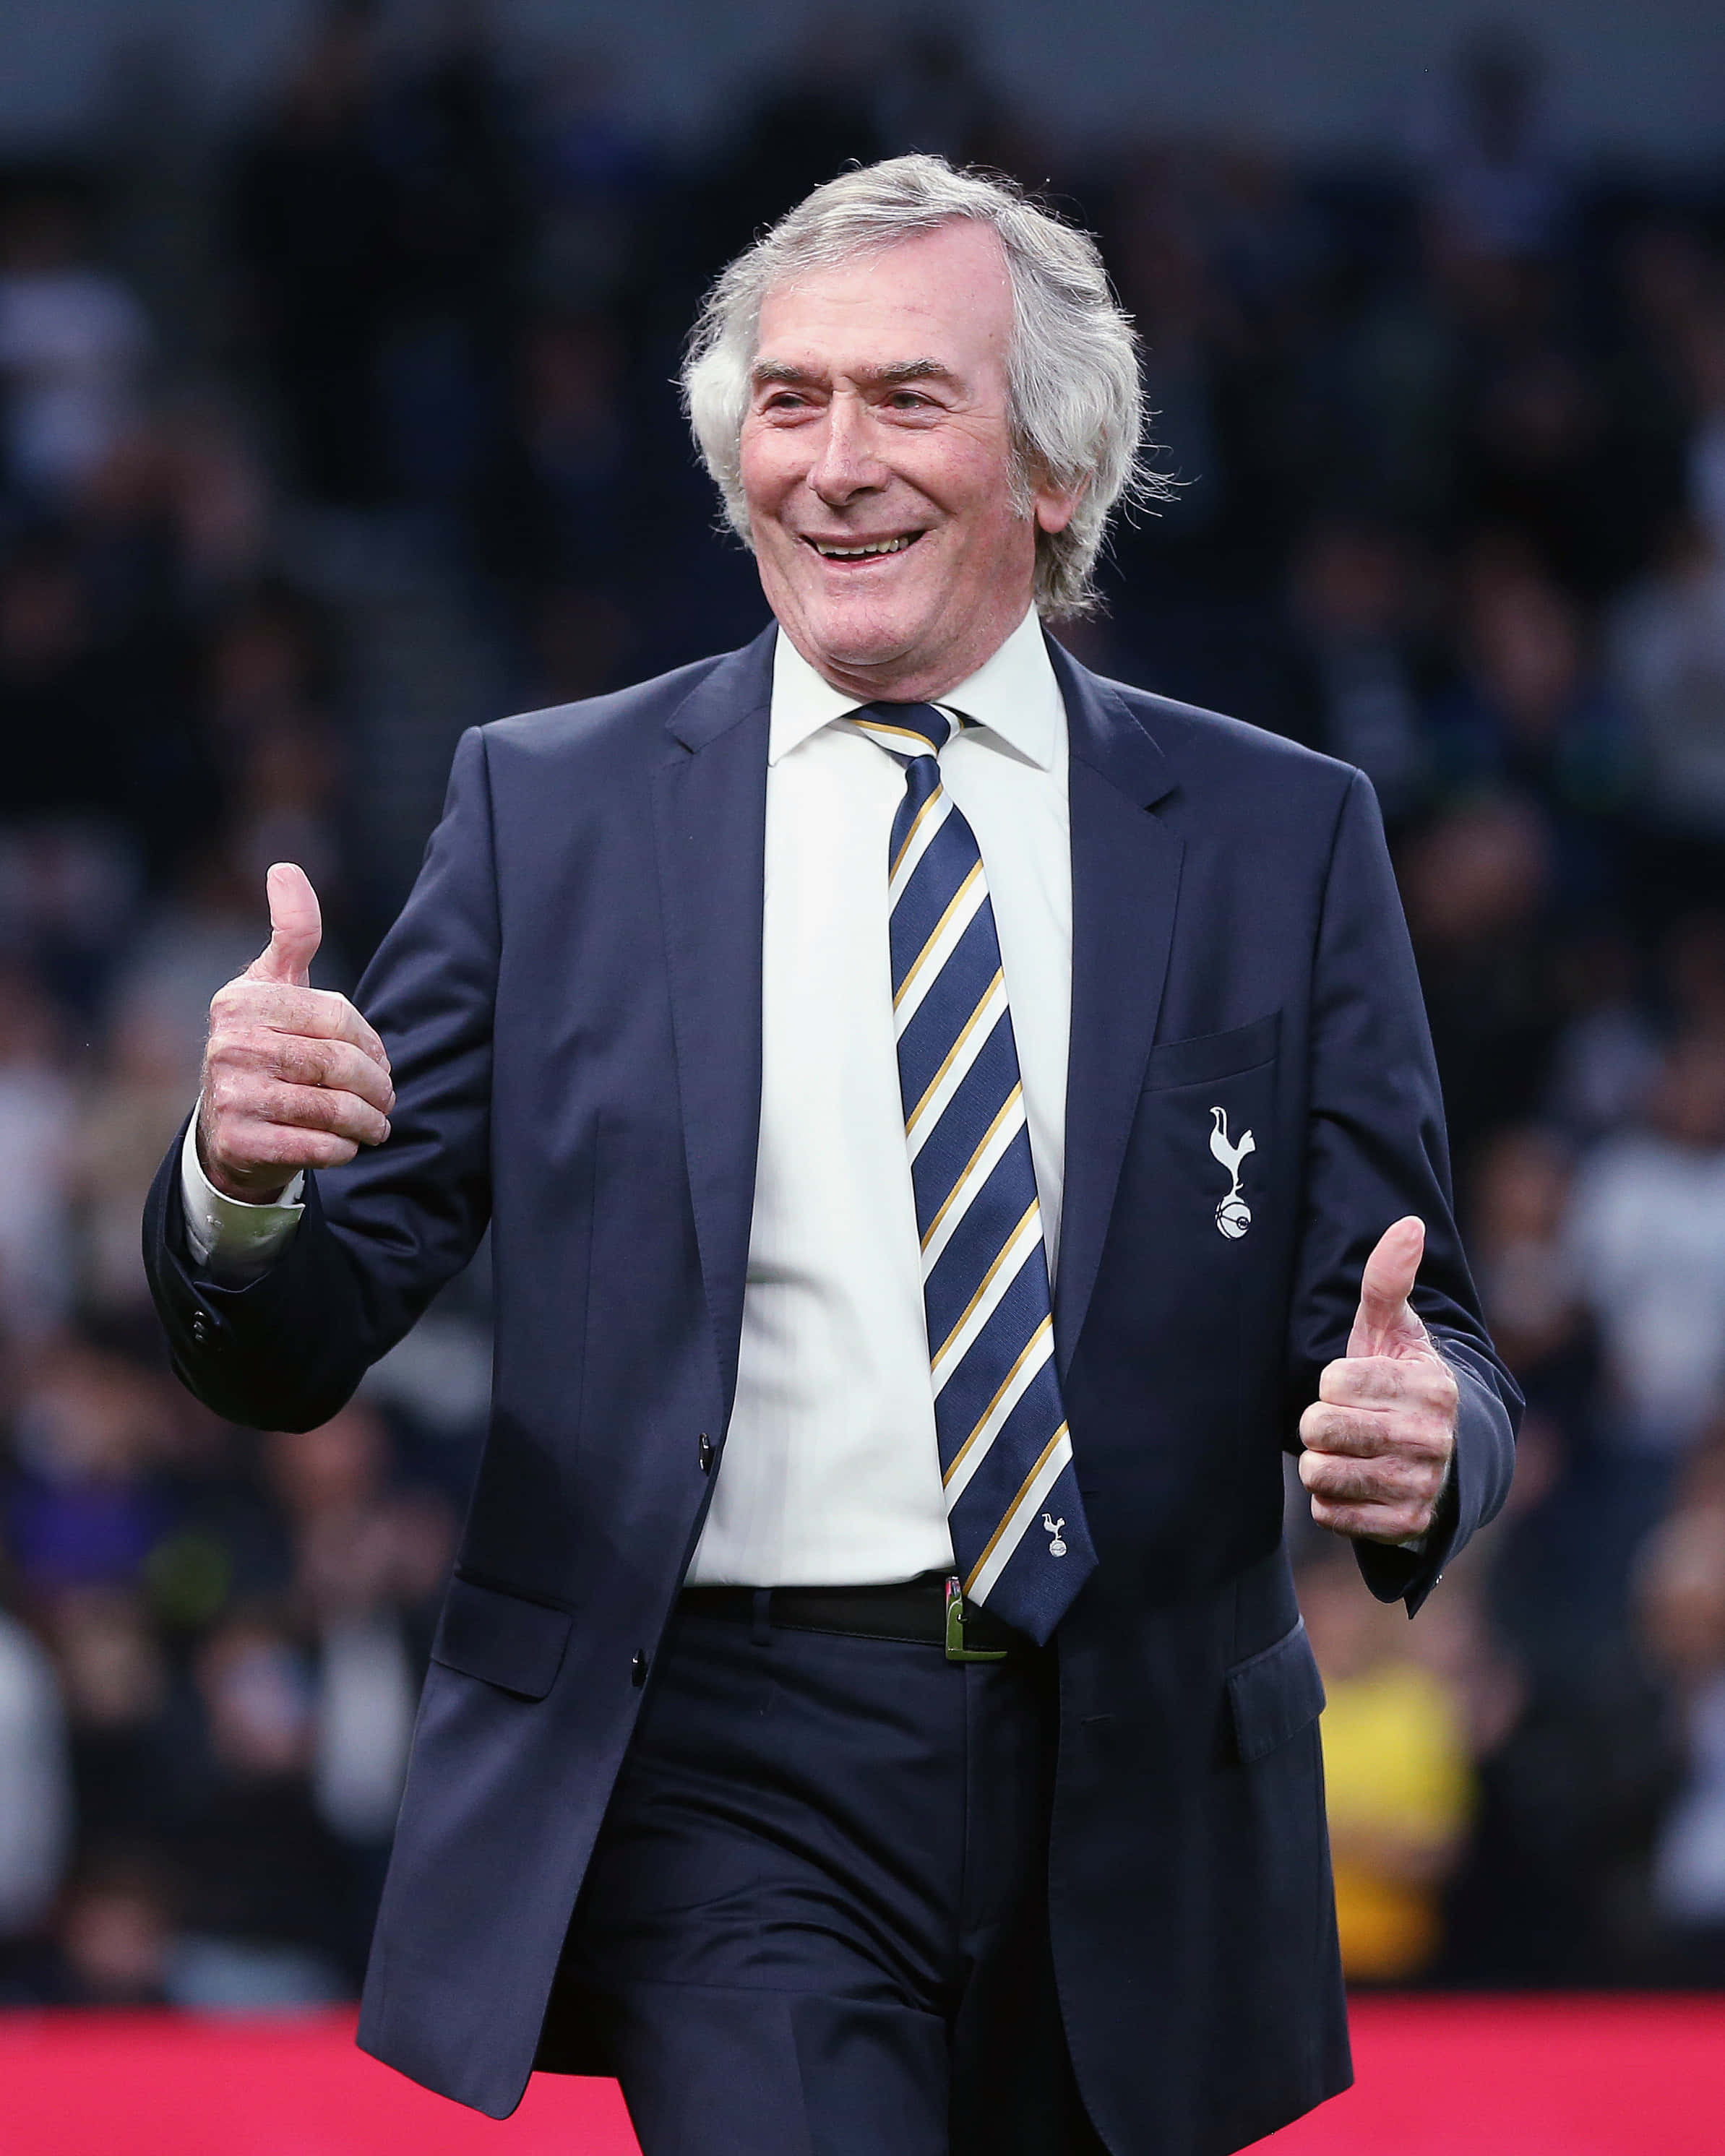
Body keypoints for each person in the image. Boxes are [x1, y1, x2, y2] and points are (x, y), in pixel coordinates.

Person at [144, 158, 1519, 2156]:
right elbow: (299, 1337)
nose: (834, 461)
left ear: (1055, 467)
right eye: (790, 402)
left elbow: (1417, 1328)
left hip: (1138, 1777)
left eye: (906, 399)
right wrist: (242, 1179)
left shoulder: (1276, 835)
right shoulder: (549, 814)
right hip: (726, 1770)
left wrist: (1427, 1444)